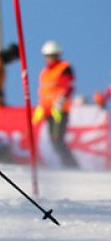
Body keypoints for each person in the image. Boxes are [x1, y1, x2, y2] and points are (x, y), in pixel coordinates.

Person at [33, 40, 78, 168]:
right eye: (47, 56)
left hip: (59, 110)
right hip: (48, 111)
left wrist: (60, 101)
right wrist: (41, 107)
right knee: (54, 141)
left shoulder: (64, 68)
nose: (50, 59)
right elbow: (44, 91)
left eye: (52, 56)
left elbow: (68, 87)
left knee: (57, 140)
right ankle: (67, 165)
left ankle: (72, 166)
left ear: (58, 55)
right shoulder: (45, 72)